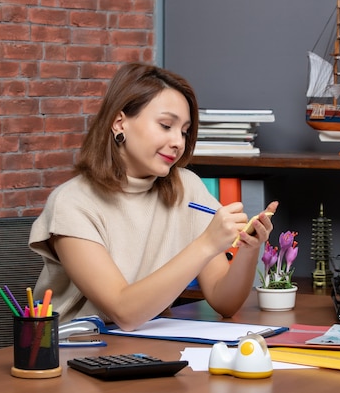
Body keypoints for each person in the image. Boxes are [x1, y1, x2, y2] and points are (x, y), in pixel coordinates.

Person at [29, 62, 278, 331]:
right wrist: (206, 244)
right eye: (165, 125)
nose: (178, 142)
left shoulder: (188, 189)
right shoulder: (72, 203)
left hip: (147, 344)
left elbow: (223, 301)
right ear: (119, 122)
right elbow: (123, 312)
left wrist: (248, 250)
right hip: (73, 350)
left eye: (184, 131)